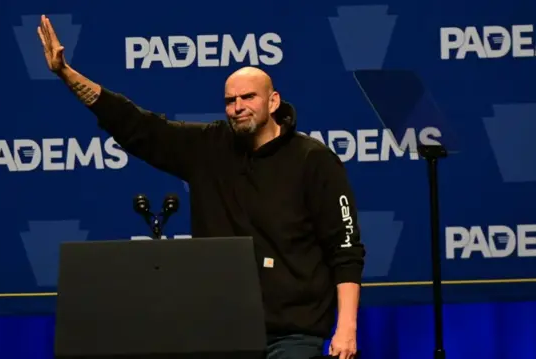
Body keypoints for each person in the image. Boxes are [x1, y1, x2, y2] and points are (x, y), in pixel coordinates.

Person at [37, 14, 365, 359]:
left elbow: (345, 250)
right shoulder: (208, 148)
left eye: (248, 97)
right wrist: (66, 74)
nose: (237, 108)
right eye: (229, 100)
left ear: (273, 101)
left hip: (294, 335)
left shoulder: (313, 160)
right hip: (223, 329)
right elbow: (136, 125)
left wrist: (346, 329)